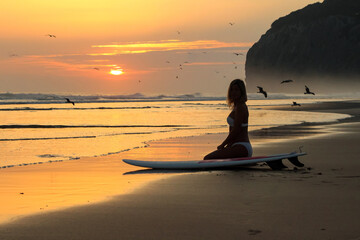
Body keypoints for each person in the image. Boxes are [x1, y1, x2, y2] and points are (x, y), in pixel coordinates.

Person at [204, 79, 252, 160]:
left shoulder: (240, 107)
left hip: (242, 147)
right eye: (232, 90)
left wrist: (223, 144)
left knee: (208, 158)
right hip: (236, 146)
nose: (234, 92)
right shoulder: (237, 106)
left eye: (236, 90)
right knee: (209, 158)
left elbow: (236, 130)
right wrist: (228, 145)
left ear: (242, 91)